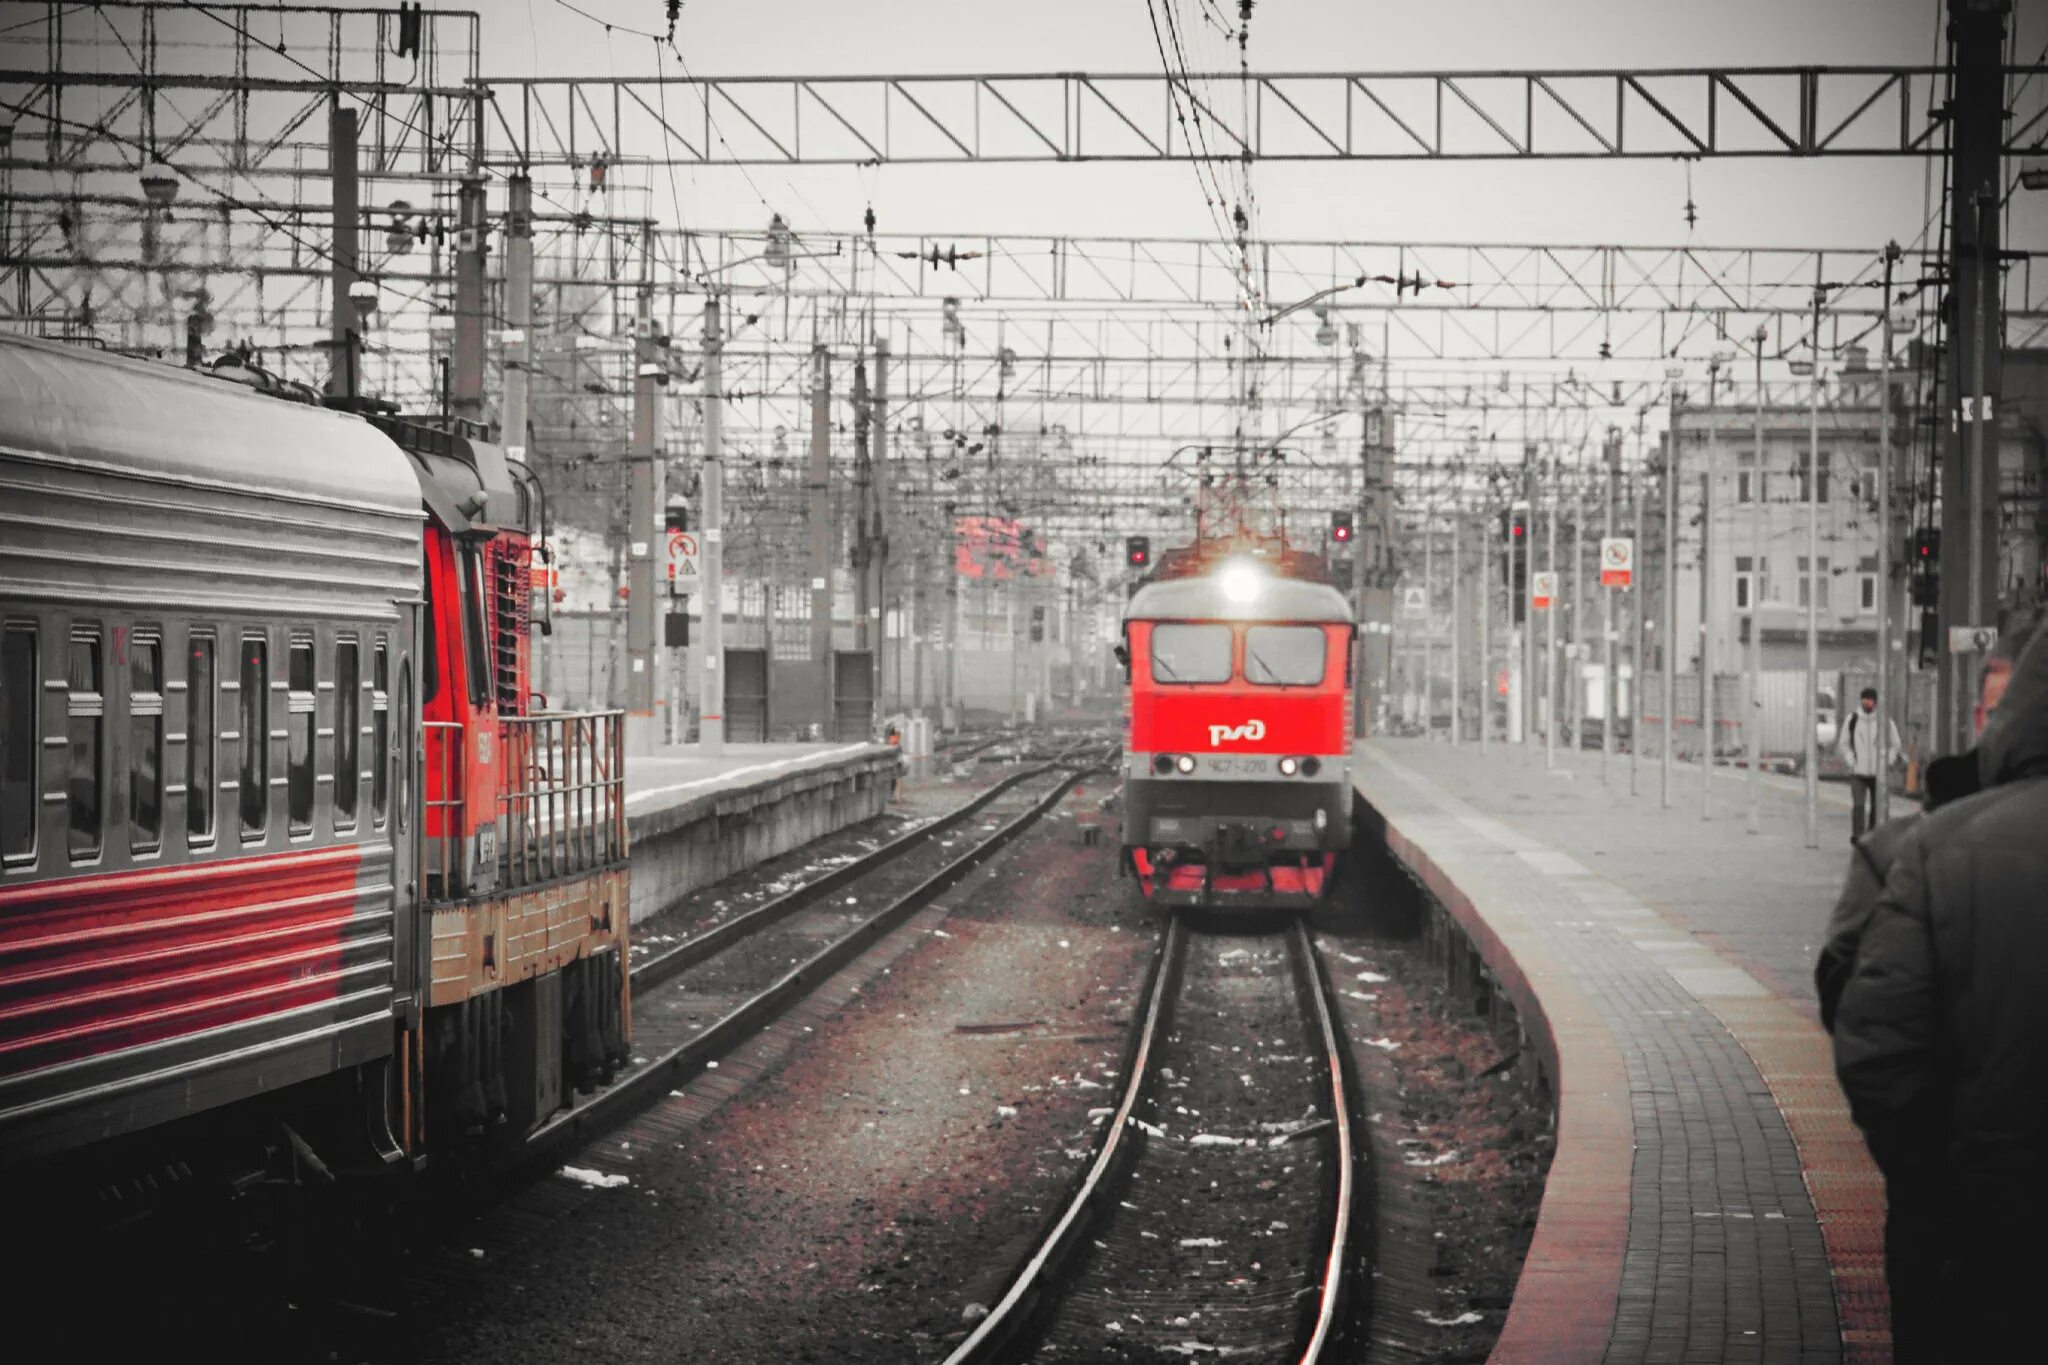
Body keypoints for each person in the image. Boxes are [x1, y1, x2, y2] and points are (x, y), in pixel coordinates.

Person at [1832, 623, 2048, 1362]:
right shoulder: (1921, 845)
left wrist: (1938, 1179)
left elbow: (1870, 1037)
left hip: (1973, 1228)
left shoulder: (1927, 849)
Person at [1837, 685, 1902, 839]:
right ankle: (1858, 838)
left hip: (1878, 772)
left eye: (1870, 701)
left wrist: (1888, 761)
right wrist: (1850, 760)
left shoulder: (1884, 721)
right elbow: (1843, 743)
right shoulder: (1852, 719)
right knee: (1858, 806)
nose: (1867, 703)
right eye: (1864, 700)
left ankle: (1872, 837)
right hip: (1857, 771)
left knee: (1876, 807)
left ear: (1876, 702)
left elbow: (1895, 744)